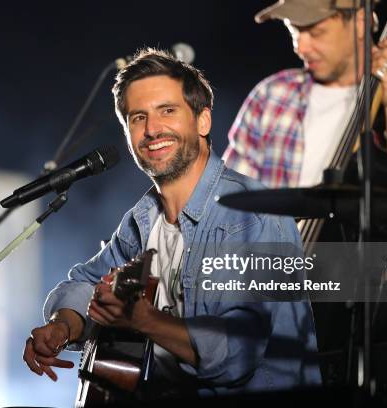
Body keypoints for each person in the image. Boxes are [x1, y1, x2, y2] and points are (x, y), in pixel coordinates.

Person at [22, 49, 321, 399]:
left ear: (203, 121)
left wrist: (143, 320)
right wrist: (62, 326)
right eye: (137, 117)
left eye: (167, 111)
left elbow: (238, 354)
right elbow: (85, 284)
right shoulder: (143, 219)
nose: (151, 130)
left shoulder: (252, 213)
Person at [222, 0, 387, 197]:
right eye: (294, 30)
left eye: (316, 32)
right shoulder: (271, 95)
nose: (300, 47)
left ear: (360, 23)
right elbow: (228, 196)